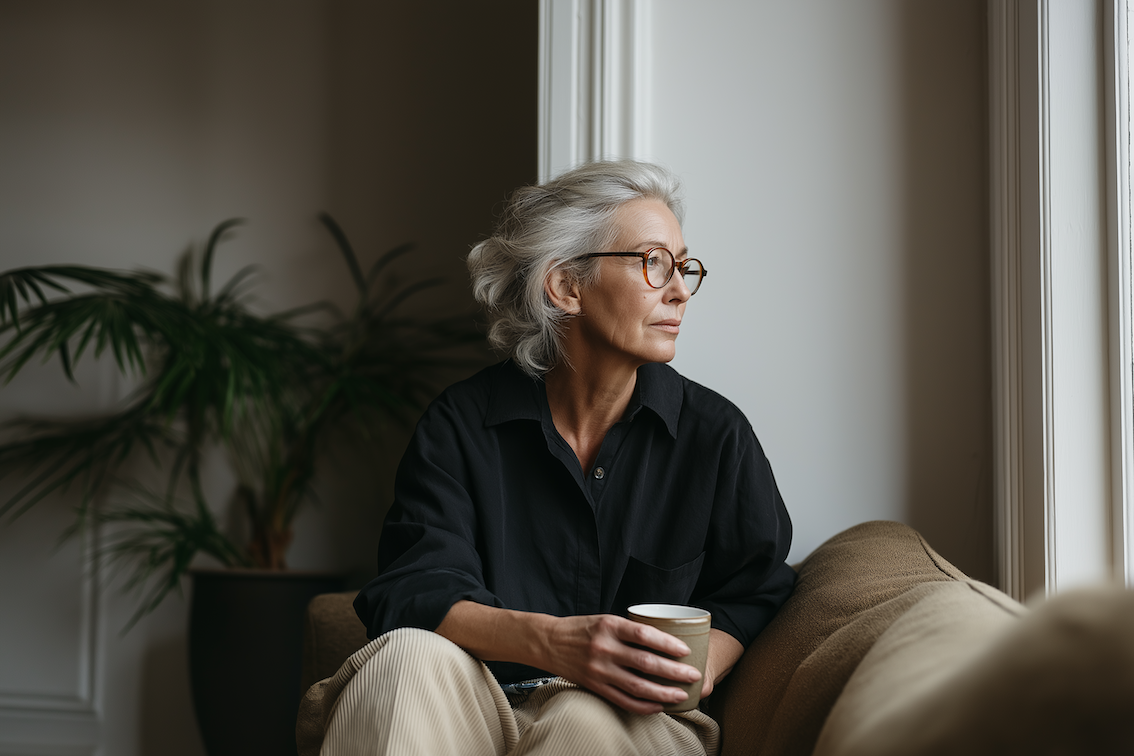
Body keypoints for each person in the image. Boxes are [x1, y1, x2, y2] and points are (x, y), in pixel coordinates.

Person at [313, 160, 795, 756]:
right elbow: (412, 588)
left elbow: (755, 587)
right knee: (403, 659)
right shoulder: (461, 424)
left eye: (683, 267)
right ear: (566, 285)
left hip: (629, 718)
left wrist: (702, 664)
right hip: (477, 698)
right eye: (653, 262)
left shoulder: (715, 436)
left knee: (580, 721)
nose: (678, 291)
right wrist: (556, 643)